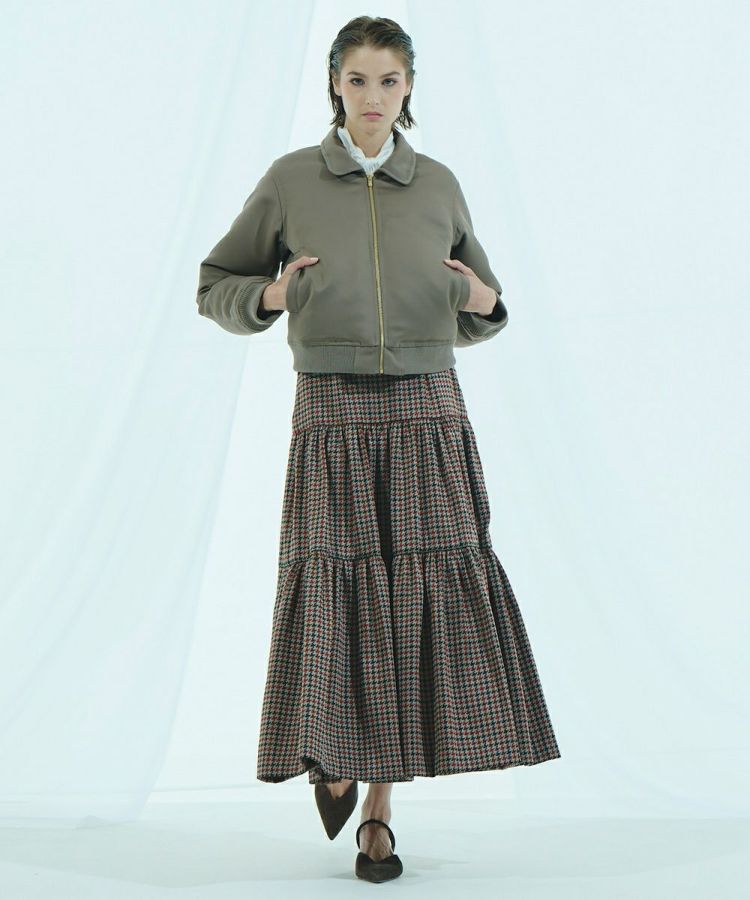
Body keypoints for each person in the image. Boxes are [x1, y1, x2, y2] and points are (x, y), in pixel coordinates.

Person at [195, 15, 561, 884]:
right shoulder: (291, 181)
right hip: (331, 410)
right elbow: (216, 285)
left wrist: (485, 302)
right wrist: (272, 295)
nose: (372, 97)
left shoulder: (437, 184)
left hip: (428, 409)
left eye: (388, 81)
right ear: (334, 83)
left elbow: (480, 301)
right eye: (357, 79)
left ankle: (379, 815)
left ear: (409, 89)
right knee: (343, 591)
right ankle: (336, 752)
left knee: (415, 596)